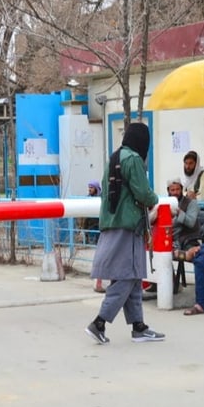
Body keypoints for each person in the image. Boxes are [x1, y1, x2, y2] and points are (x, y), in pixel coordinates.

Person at [85, 122, 165, 344]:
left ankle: (138, 326)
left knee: (134, 275)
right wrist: (155, 200)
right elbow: (143, 192)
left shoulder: (114, 158)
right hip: (128, 225)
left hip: (112, 223)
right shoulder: (134, 160)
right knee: (126, 277)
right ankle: (99, 322)